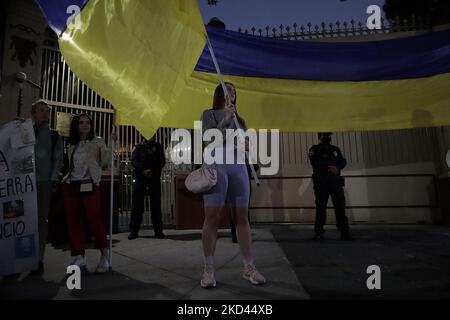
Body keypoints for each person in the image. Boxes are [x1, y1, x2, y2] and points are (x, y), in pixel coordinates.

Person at [200, 82, 266, 288]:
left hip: (238, 169)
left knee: (242, 218)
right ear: (220, 93)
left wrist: (247, 145)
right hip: (215, 168)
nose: (233, 93)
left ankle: (249, 267)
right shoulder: (208, 114)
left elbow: (243, 146)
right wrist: (225, 120)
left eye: (235, 91)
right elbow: (207, 139)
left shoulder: (241, 120)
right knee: (212, 219)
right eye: (229, 90)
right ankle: (209, 269)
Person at [63, 114, 116, 273]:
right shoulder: (71, 143)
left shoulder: (97, 141)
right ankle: (79, 256)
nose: (85, 125)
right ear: (76, 125)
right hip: (71, 184)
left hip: (90, 184)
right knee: (73, 220)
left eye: (88, 123)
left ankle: (104, 256)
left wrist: (112, 143)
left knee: (94, 219)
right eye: (81, 122)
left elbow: (105, 162)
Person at [31, 100, 63, 275]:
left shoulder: (53, 135)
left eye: (47, 111)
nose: (45, 114)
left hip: (44, 183)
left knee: (41, 221)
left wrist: (52, 180)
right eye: (41, 110)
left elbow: (58, 159)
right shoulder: (26, 131)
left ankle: (38, 259)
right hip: (26, 183)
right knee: (24, 220)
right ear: (34, 113)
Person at [308, 132, 353, 241]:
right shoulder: (314, 149)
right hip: (321, 183)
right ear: (320, 137)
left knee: (340, 208)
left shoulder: (334, 149)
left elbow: (343, 161)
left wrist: (336, 168)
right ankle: (319, 232)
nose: (328, 138)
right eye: (325, 136)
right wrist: (330, 167)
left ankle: (344, 231)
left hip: (335, 183)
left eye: (329, 136)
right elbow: (315, 162)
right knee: (321, 208)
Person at [128, 134, 166, 240]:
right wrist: (144, 170)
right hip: (140, 178)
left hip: (154, 178)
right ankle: (133, 231)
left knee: (156, 206)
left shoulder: (158, 147)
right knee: (137, 205)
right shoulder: (138, 146)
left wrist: (152, 170)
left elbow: (162, 161)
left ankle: (158, 231)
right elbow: (134, 161)